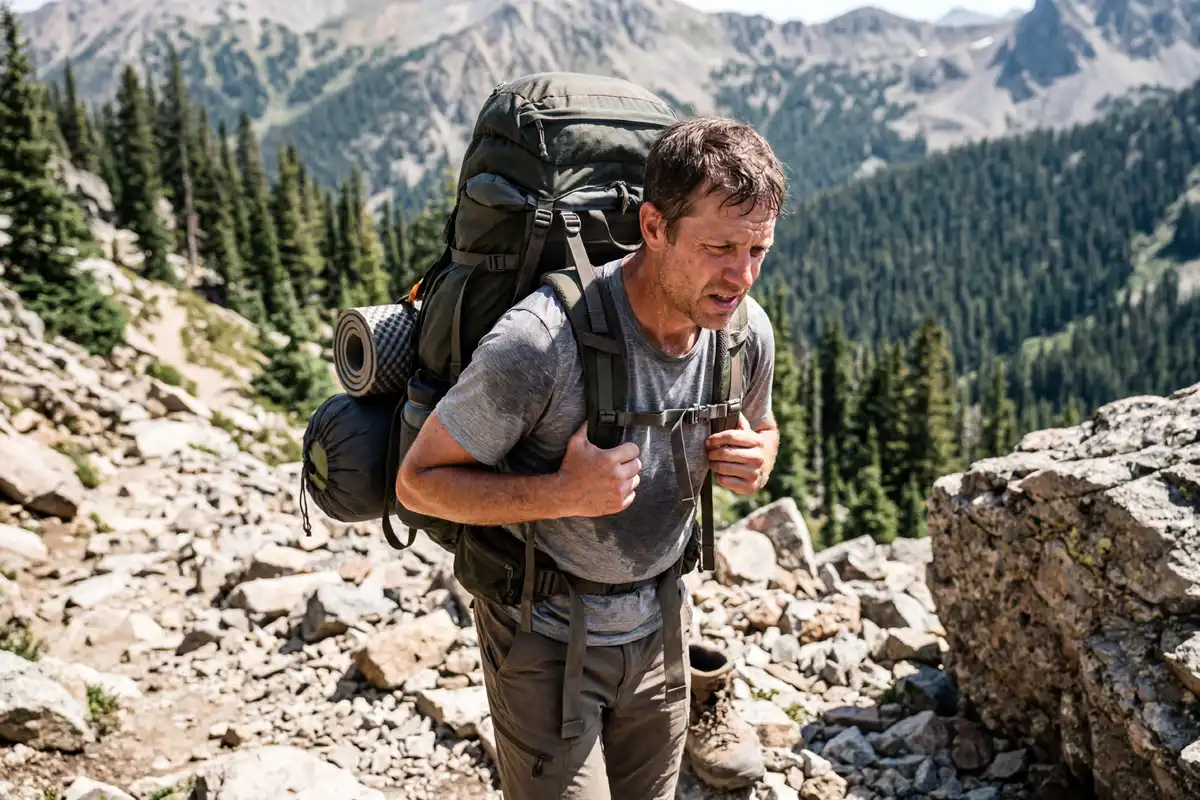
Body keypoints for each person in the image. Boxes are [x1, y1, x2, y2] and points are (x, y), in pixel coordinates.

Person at [395, 115, 786, 799]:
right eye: (721, 246)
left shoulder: (743, 334)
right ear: (654, 226)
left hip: (663, 624)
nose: (742, 275)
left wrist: (759, 457)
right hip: (545, 633)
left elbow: (764, 425)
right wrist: (561, 494)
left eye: (758, 249)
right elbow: (418, 483)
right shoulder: (541, 344)